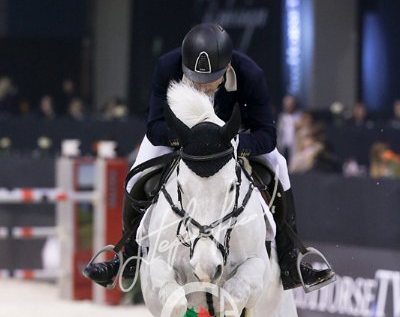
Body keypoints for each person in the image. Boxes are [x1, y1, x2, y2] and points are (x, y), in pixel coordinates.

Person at [84, 23, 335, 292]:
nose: (202, 87)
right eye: (195, 80)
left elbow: (267, 135)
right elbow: (154, 127)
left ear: (227, 68)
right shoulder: (167, 67)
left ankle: (290, 260)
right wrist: (188, 140)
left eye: (209, 81)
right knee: (138, 171)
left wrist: (231, 143)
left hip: (231, 139)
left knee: (279, 165)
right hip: (182, 137)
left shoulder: (250, 74)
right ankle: (127, 256)